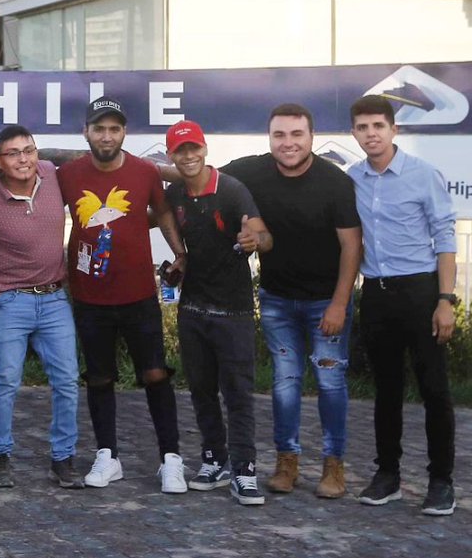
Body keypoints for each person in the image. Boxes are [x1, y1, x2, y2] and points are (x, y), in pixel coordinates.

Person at [221, 104, 361, 499]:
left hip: (325, 302)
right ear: (269, 139)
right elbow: (203, 177)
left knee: (331, 383)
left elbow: (352, 247)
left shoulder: (335, 182)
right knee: (285, 384)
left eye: (296, 135)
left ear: (311, 137)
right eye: (279, 135)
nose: (288, 143)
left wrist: (338, 303)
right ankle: (287, 462)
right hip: (278, 299)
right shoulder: (251, 171)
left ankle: (334, 467)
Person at [57, 97, 189, 494]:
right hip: (89, 295)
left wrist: (180, 252)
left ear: (124, 133)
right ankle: (107, 455)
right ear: (86, 132)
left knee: (154, 374)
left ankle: (171, 459)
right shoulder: (68, 174)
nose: (107, 136)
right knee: (99, 377)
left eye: (114, 129)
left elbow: (164, 212)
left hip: (137, 295)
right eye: (99, 128)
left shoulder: (146, 171)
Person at [348, 95, 458, 516]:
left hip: (421, 293)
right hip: (376, 293)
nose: (371, 134)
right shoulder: (352, 178)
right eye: (362, 127)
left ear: (394, 129)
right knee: (386, 390)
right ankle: (388, 475)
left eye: (378, 125)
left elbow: (445, 240)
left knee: (434, 390)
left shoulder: (422, 174)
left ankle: (441, 481)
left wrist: (445, 300)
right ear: (354, 133)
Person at [164, 121, 273, 505]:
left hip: (234, 311)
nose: (188, 156)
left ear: (205, 149)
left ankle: (245, 469)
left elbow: (264, 236)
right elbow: (160, 216)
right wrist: (179, 255)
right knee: (201, 391)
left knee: (238, 394)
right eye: (180, 151)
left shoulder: (231, 189)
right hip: (192, 308)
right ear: (171, 156)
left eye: (193, 148)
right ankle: (214, 459)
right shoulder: (174, 192)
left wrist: (252, 240)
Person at [0, 125, 81, 489]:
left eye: (29, 150)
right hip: (9, 301)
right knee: (6, 380)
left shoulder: (51, 175)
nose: (24, 159)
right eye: (14, 153)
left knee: (67, 380)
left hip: (53, 298)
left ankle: (63, 458)